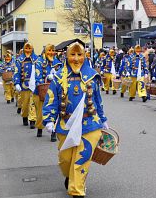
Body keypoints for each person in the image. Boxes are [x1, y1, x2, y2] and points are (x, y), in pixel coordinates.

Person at [42, 42, 108, 197]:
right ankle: (68, 175)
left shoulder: (92, 76)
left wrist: (103, 119)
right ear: (66, 56)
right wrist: (49, 119)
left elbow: (98, 100)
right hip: (66, 125)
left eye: (80, 55)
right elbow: (51, 99)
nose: (76, 59)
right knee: (65, 160)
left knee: (81, 159)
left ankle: (76, 190)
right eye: (73, 54)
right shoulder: (58, 77)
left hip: (90, 125)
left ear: (85, 56)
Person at [34, 44, 62, 139]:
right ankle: (40, 128)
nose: (51, 52)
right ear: (45, 51)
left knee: (55, 110)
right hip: (41, 90)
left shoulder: (58, 62)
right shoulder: (39, 62)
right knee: (41, 111)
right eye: (49, 50)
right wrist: (46, 79)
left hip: (55, 91)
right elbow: (37, 77)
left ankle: (53, 132)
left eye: (52, 50)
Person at [13, 43, 38, 127]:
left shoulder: (36, 59)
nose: (28, 50)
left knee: (33, 102)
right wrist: (16, 83)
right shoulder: (19, 60)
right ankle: (24, 116)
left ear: (32, 49)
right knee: (25, 103)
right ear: (24, 49)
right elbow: (16, 72)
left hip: (34, 84)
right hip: (24, 84)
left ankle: (32, 120)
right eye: (26, 48)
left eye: (29, 48)